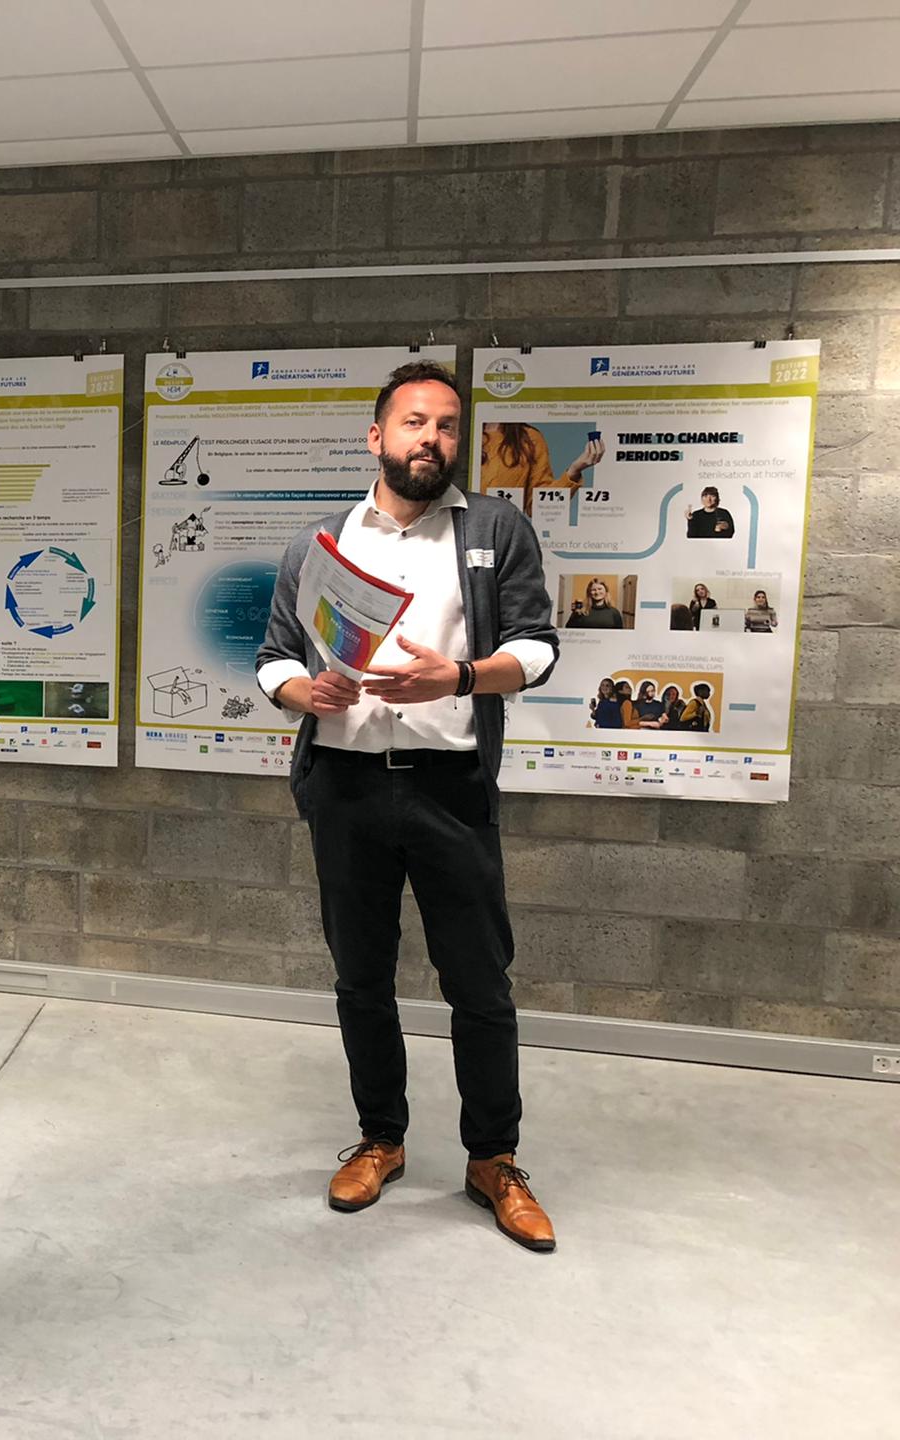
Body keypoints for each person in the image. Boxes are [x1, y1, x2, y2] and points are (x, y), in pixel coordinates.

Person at [257, 360, 561, 1253]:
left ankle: (493, 1159)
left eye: (447, 425)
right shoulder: (321, 543)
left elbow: (538, 649)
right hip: (346, 787)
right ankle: (380, 1139)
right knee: (361, 977)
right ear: (377, 436)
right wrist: (302, 692)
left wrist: (458, 676)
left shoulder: (495, 529)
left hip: (448, 788)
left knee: (480, 983)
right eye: (414, 422)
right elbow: (275, 657)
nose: (432, 438)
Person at [478, 423, 603, 518]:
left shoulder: (528, 438)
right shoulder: (469, 431)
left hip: (501, 536)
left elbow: (538, 506)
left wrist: (573, 471)